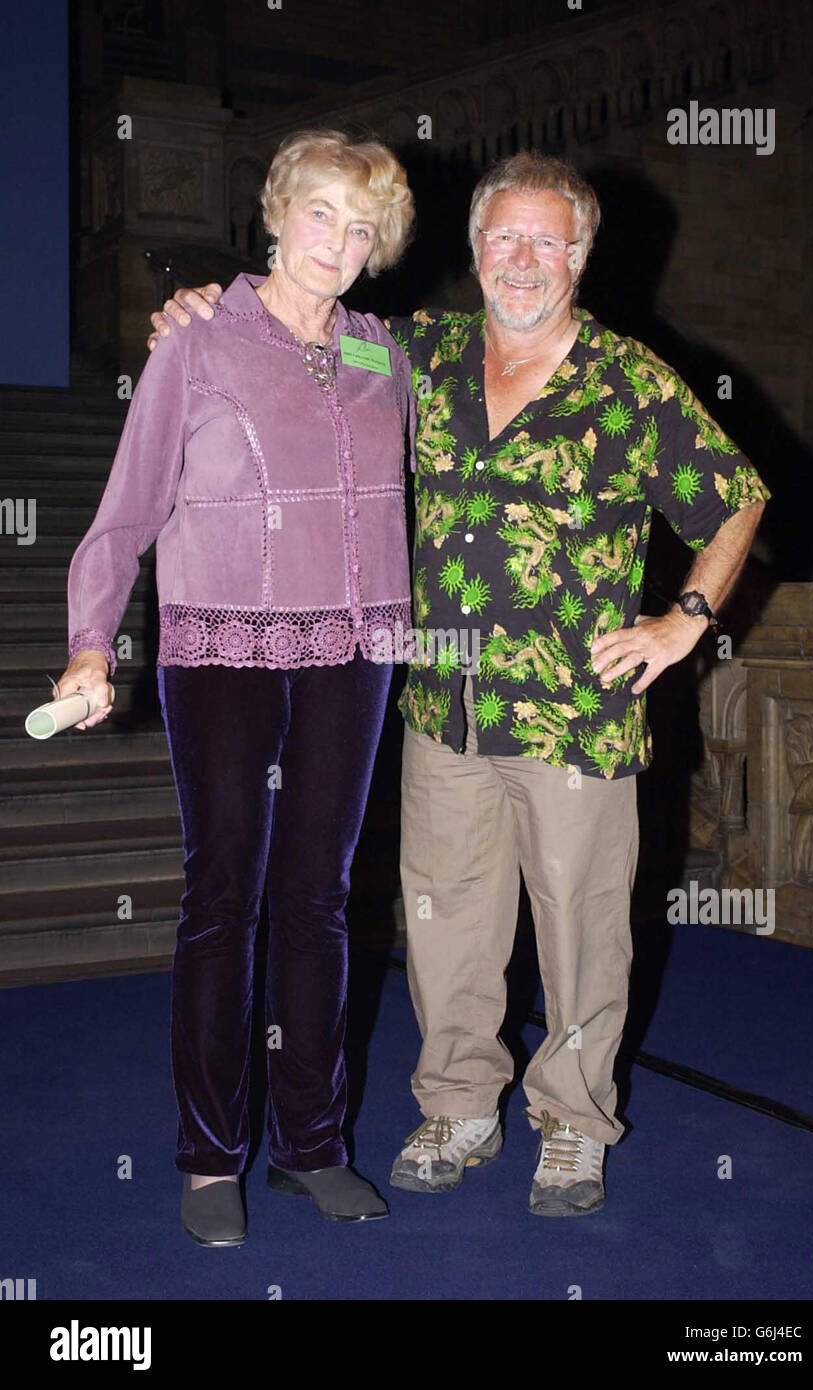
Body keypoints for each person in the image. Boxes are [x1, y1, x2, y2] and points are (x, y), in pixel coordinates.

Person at [147, 149, 770, 1218]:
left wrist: (684, 623)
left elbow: (738, 496)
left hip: (576, 715)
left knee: (581, 928)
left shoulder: (629, 380)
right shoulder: (412, 355)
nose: (522, 260)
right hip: (442, 707)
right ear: (475, 248)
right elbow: (302, 331)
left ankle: (572, 1124)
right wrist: (204, 308)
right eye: (503, 237)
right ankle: (459, 1105)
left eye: (546, 240)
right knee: (446, 923)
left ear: (579, 252)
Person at [59, 128, 416, 1245]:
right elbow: (126, 506)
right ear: (277, 211)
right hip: (219, 641)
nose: (339, 244)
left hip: (354, 649)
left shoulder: (382, 354)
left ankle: (313, 1143)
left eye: (364, 229)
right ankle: (211, 1157)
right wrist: (88, 640)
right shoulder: (199, 338)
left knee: (320, 898)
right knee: (224, 896)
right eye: (322, 214)